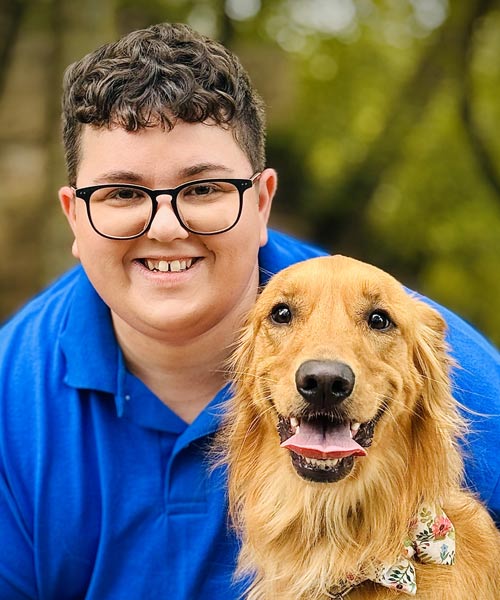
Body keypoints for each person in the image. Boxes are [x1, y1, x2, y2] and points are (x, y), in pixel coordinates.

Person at [0, 22, 498, 600]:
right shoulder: (11, 392)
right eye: (122, 194)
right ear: (75, 218)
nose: (164, 228)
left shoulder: (426, 351)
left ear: (261, 203)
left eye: (204, 189)